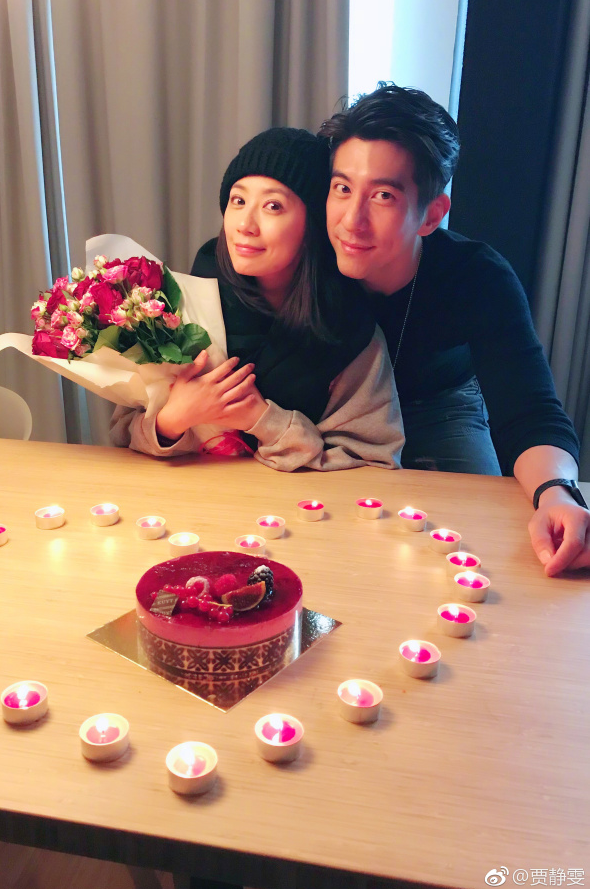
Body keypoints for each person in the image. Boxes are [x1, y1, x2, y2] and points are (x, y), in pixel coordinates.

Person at [317, 83, 589, 575]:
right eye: (342, 188)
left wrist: (556, 493)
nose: (352, 221)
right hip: (334, 410)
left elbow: (530, 411)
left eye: (383, 195)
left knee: (477, 547)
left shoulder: (477, 275)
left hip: (441, 405)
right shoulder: (306, 255)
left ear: (432, 215)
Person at [110, 127, 403, 472]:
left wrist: (260, 418)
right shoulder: (177, 307)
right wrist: (172, 419)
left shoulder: (348, 329)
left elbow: (372, 460)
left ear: (312, 224)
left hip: (294, 504)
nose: (245, 225)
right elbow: (121, 433)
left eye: (273, 206)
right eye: (238, 201)